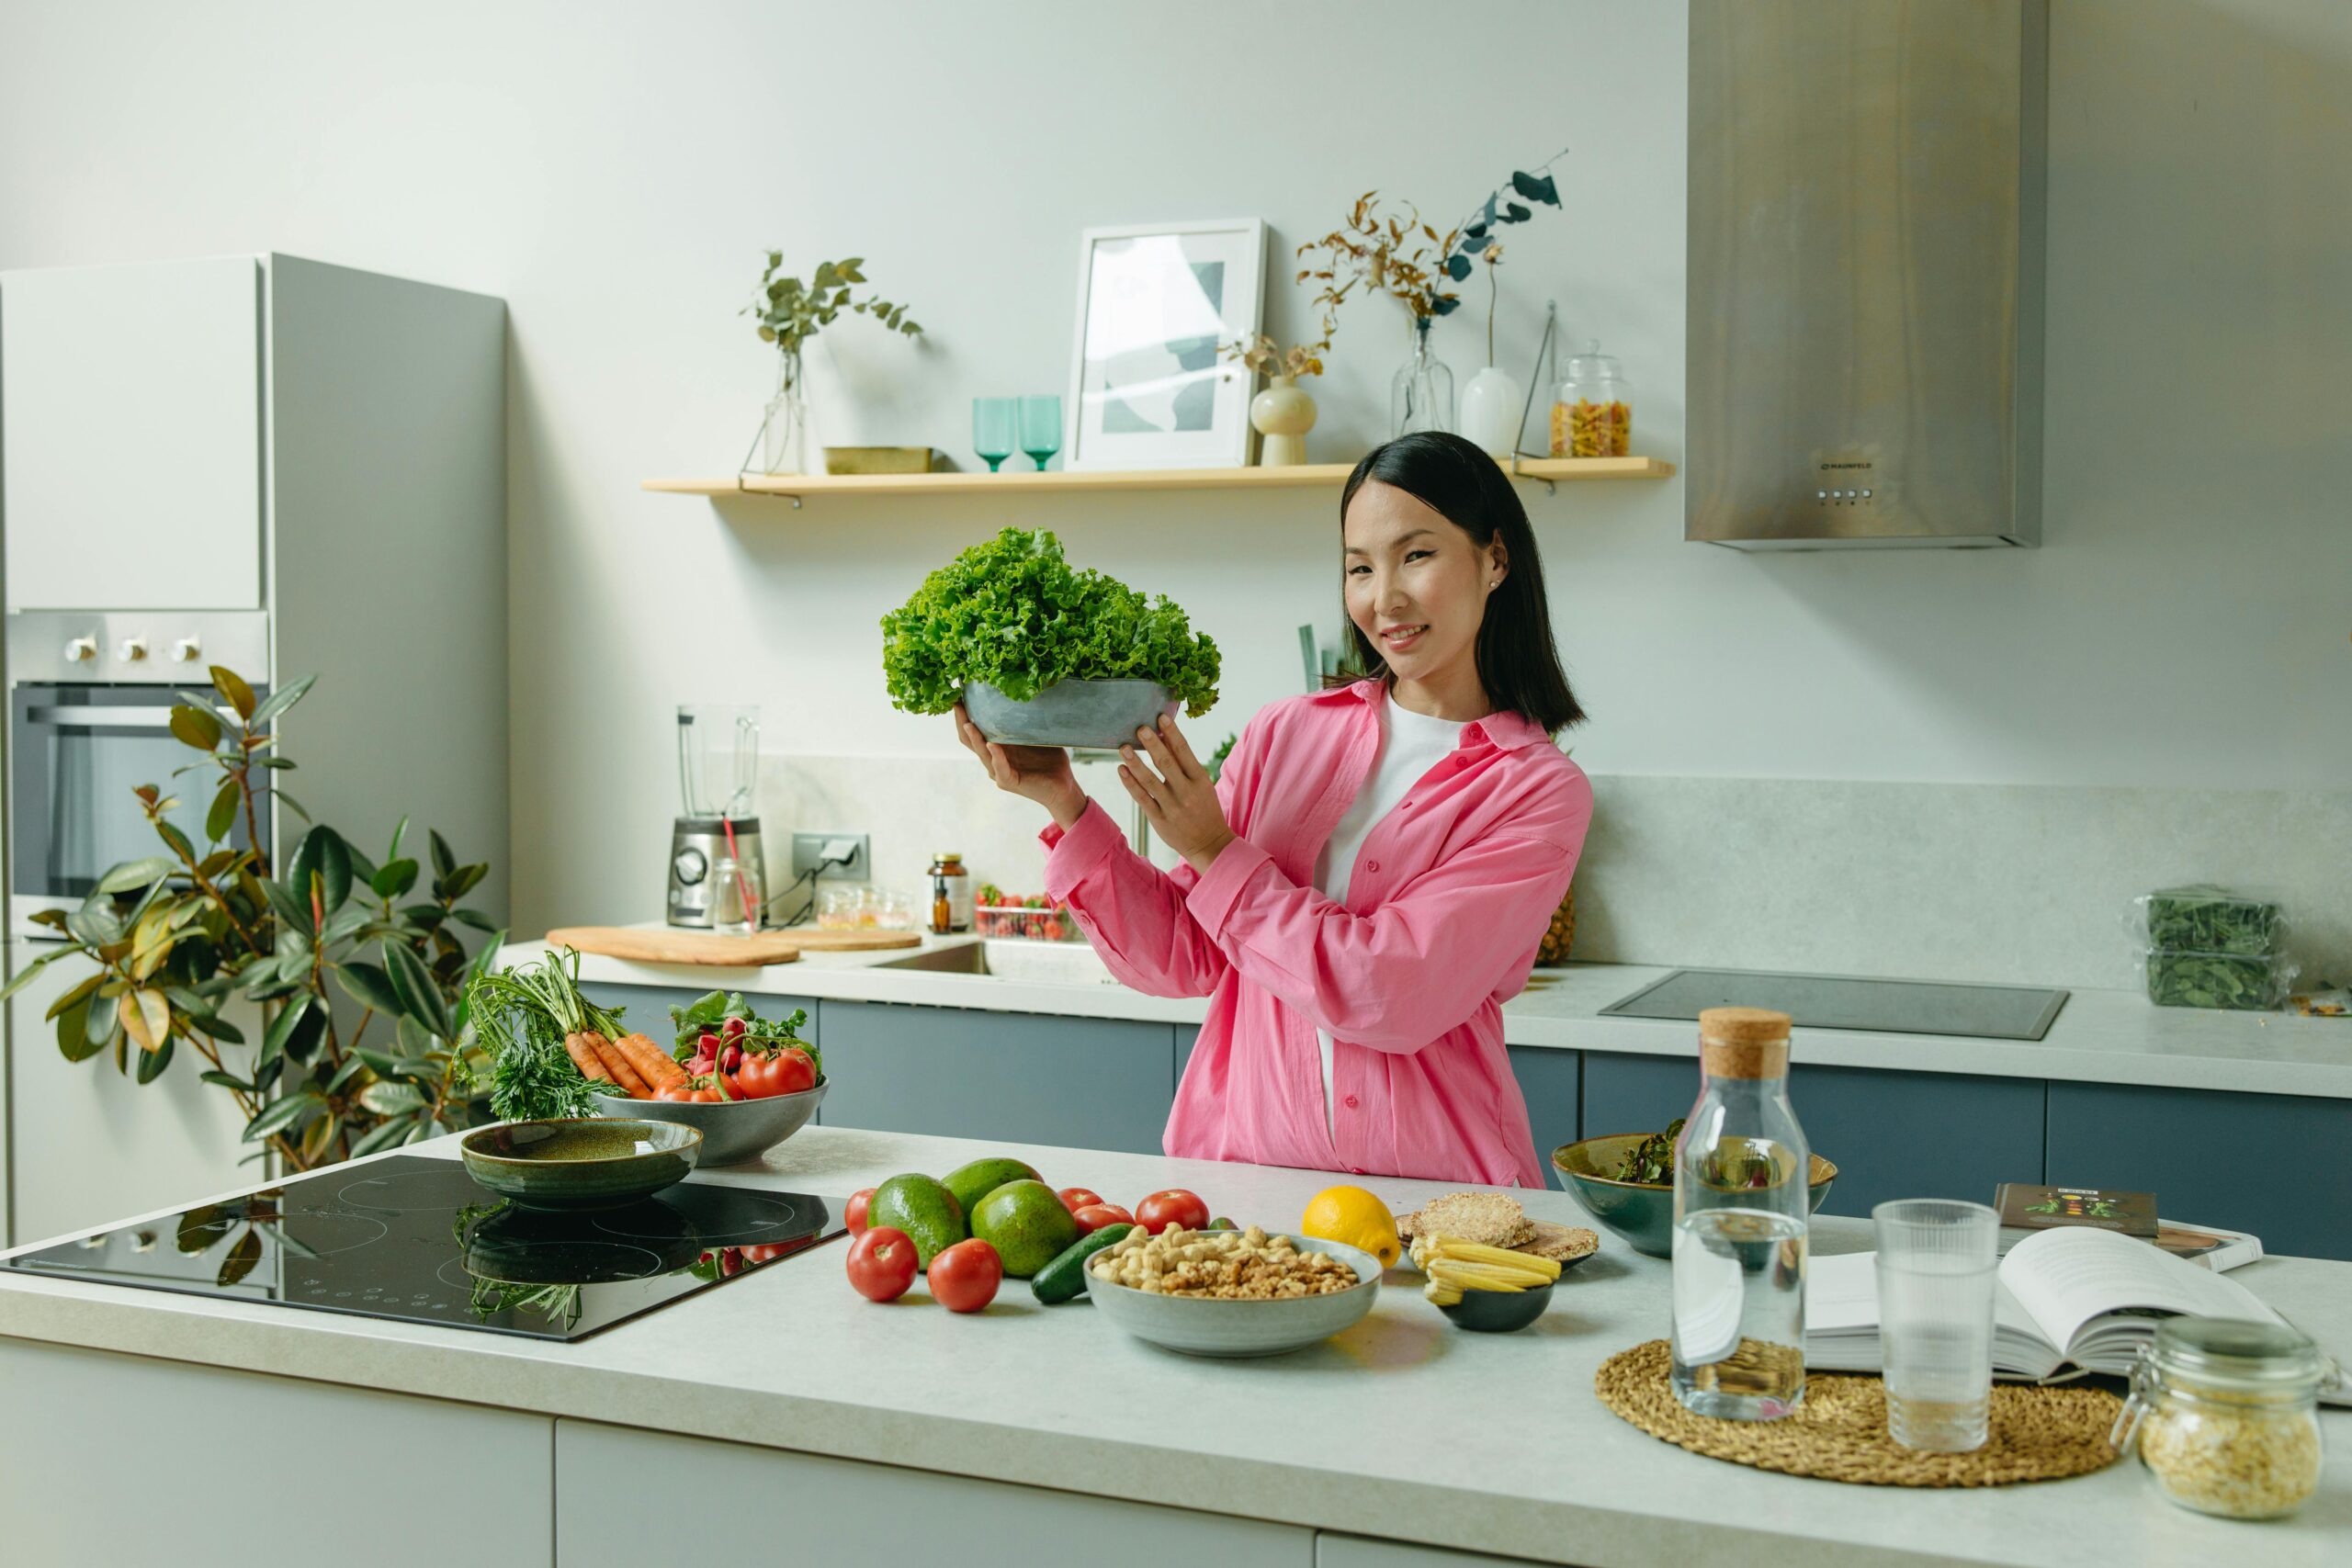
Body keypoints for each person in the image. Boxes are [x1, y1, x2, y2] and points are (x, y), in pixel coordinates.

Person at [954, 431, 1591, 1186]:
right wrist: (1062, 797)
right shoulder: (1286, 733)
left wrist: (1219, 855)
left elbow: (1390, 989)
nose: (1382, 597)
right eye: (1359, 567)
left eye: (1415, 555)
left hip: (1438, 1206)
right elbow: (1187, 955)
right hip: (1252, 1193)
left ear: (1495, 559)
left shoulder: (1535, 788)